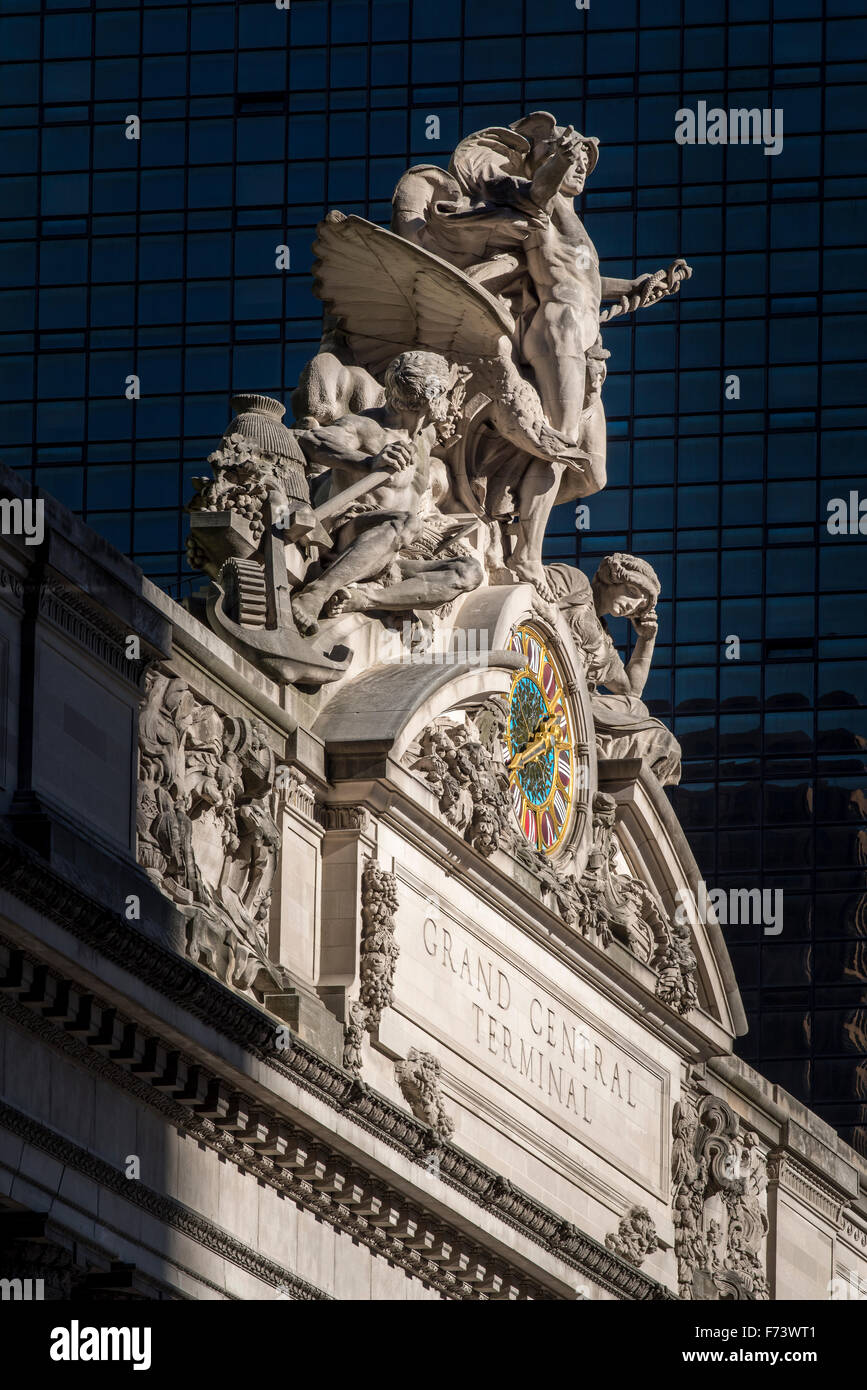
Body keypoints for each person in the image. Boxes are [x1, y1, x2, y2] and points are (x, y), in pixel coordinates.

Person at [291, 351, 482, 635]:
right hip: (349, 536)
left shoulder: (424, 437)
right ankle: (315, 594)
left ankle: (364, 599)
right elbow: (313, 441)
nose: (448, 402)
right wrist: (368, 462)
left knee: (469, 571)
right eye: (444, 393)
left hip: (392, 557)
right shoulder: (367, 427)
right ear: (429, 396)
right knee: (406, 522)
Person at [547, 554, 682, 785]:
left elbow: (630, 691)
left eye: (639, 605)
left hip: (578, 700)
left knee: (656, 734)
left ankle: (611, 787)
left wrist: (646, 640)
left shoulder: (604, 642)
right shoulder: (575, 583)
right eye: (632, 592)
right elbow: (529, 586)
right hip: (546, 676)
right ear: (613, 577)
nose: (632, 605)